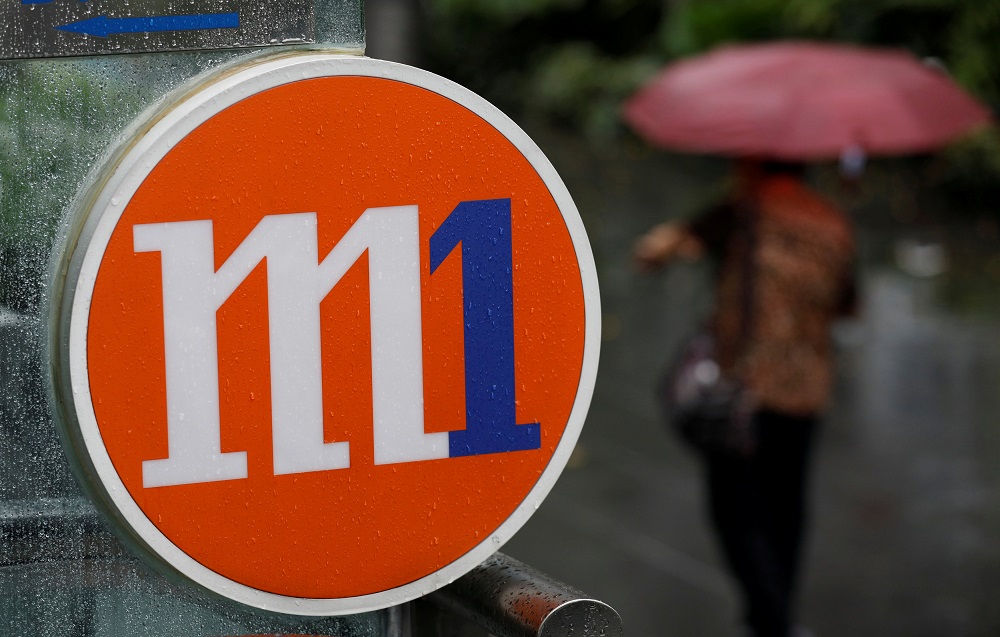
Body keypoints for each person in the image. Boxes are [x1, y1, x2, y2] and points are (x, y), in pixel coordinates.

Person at [634, 159, 856, 637]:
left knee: (734, 508)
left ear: (755, 159)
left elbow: (652, 252)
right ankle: (773, 619)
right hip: (808, 388)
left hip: (745, 386)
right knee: (786, 507)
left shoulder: (746, 208)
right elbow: (848, 303)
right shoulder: (832, 220)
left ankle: (772, 624)